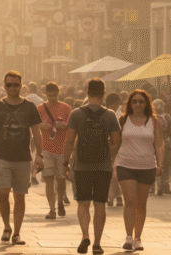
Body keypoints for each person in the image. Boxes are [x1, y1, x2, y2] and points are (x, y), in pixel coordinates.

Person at [0, 71, 44, 246]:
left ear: (21, 85)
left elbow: (36, 131)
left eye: (16, 85)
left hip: (23, 158)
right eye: (9, 85)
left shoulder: (30, 106)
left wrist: (40, 154)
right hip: (2, 157)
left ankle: (16, 232)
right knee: (2, 194)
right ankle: (6, 226)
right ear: (4, 85)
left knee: (19, 196)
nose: (12, 88)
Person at [63, 78, 121, 255]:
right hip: (103, 167)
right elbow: (117, 142)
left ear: (87, 92)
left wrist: (65, 162)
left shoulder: (77, 114)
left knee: (83, 203)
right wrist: (105, 155)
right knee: (100, 204)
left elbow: (70, 140)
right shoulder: (110, 115)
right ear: (104, 93)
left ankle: (85, 235)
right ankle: (97, 244)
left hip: (82, 166)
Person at [113, 89, 164, 252]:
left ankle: (138, 238)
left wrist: (160, 164)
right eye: (134, 101)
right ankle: (128, 237)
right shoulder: (123, 119)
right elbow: (115, 142)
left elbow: (159, 144)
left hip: (147, 166)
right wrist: (110, 161)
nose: (137, 104)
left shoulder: (154, 121)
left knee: (141, 204)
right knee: (130, 201)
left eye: (141, 101)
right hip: (125, 164)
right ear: (129, 104)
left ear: (146, 104)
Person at [37, 82, 72, 219]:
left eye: (54, 95)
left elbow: (71, 126)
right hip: (46, 148)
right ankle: (52, 209)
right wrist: (41, 126)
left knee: (61, 179)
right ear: (46, 94)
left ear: (58, 93)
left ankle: (60, 201)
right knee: (49, 179)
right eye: (49, 95)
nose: (52, 98)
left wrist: (64, 125)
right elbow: (35, 125)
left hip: (62, 148)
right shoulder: (40, 108)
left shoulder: (66, 108)